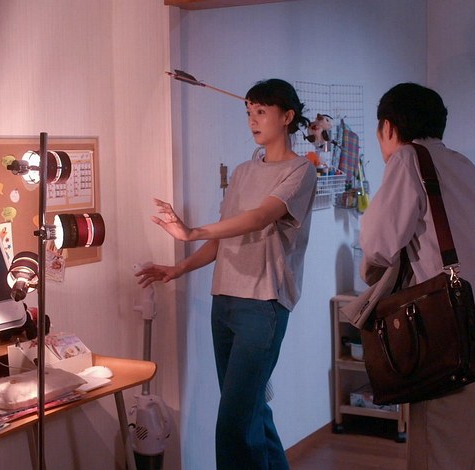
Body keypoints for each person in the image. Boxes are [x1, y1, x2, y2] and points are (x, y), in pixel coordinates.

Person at [135, 78, 317, 470]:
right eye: (249, 112)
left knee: (234, 423)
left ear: (287, 116)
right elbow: (226, 238)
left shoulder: (301, 171)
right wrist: (179, 268)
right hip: (225, 301)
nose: (253, 120)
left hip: (263, 305)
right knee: (251, 413)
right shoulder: (242, 172)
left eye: (262, 112)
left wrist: (192, 231)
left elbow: (259, 218)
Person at [359, 83, 475, 470]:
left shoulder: (406, 159)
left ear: (388, 127)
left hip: (453, 332)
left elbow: (377, 245)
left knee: (439, 457)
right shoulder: (462, 164)